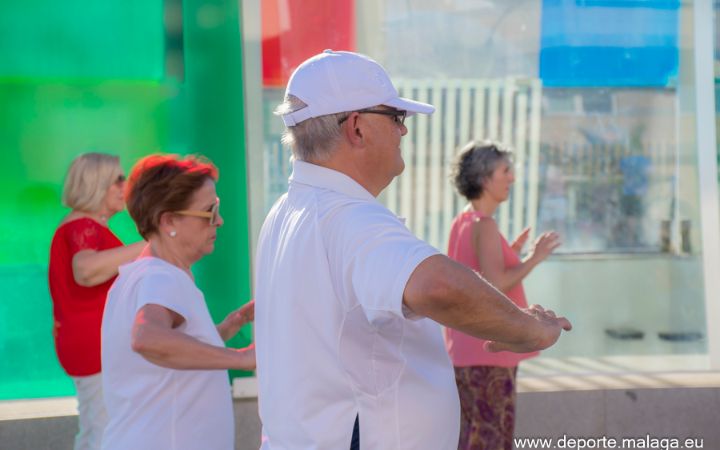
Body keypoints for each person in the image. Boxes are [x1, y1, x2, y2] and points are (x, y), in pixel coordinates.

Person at [254, 50, 572, 450]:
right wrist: (529, 329)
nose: (403, 132)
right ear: (357, 127)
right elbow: (438, 285)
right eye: (396, 118)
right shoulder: (347, 217)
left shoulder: (289, 210)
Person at [100, 154, 255, 450]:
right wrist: (242, 358)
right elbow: (147, 339)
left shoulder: (143, 275)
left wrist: (227, 327)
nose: (220, 221)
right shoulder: (161, 277)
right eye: (210, 211)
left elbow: (173, 353)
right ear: (169, 220)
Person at [444, 141, 561, 450]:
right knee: (494, 436)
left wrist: (513, 252)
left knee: (472, 434)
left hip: (466, 349)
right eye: (505, 171)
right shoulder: (484, 224)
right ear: (484, 179)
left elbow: (478, 273)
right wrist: (535, 257)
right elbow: (496, 283)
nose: (512, 178)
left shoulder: (465, 220)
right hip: (488, 351)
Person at [48, 152, 145, 450]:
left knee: (95, 427)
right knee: (105, 430)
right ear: (96, 183)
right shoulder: (82, 226)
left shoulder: (82, 226)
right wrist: (152, 245)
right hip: (94, 345)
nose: (124, 185)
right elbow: (86, 270)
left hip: (89, 344)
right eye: (117, 179)